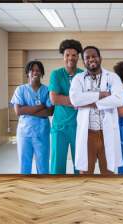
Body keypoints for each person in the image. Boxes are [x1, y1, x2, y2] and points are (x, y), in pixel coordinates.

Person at [69, 46, 123, 174]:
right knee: (86, 173)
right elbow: (75, 100)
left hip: (107, 132)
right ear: (83, 61)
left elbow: (119, 99)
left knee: (108, 173)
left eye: (94, 56)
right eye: (87, 57)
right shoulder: (78, 78)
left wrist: (91, 103)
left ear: (100, 58)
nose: (91, 59)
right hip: (88, 133)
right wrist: (101, 95)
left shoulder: (113, 77)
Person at [10, 60, 53, 174]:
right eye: (32, 70)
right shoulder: (20, 90)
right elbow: (18, 111)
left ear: (42, 73)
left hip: (42, 133)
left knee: (43, 165)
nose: (35, 72)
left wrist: (27, 110)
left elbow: (50, 111)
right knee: (24, 165)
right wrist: (41, 106)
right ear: (27, 73)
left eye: (38, 70)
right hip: (25, 133)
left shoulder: (47, 90)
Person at [48, 39, 84, 174]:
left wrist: (66, 99)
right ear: (63, 56)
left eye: (74, 55)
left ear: (78, 57)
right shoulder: (56, 74)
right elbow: (54, 98)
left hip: (78, 126)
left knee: (80, 164)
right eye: (67, 54)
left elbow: (86, 99)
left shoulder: (83, 75)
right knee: (57, 163)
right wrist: (76, 100)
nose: (70, 58)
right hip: (59, 127)